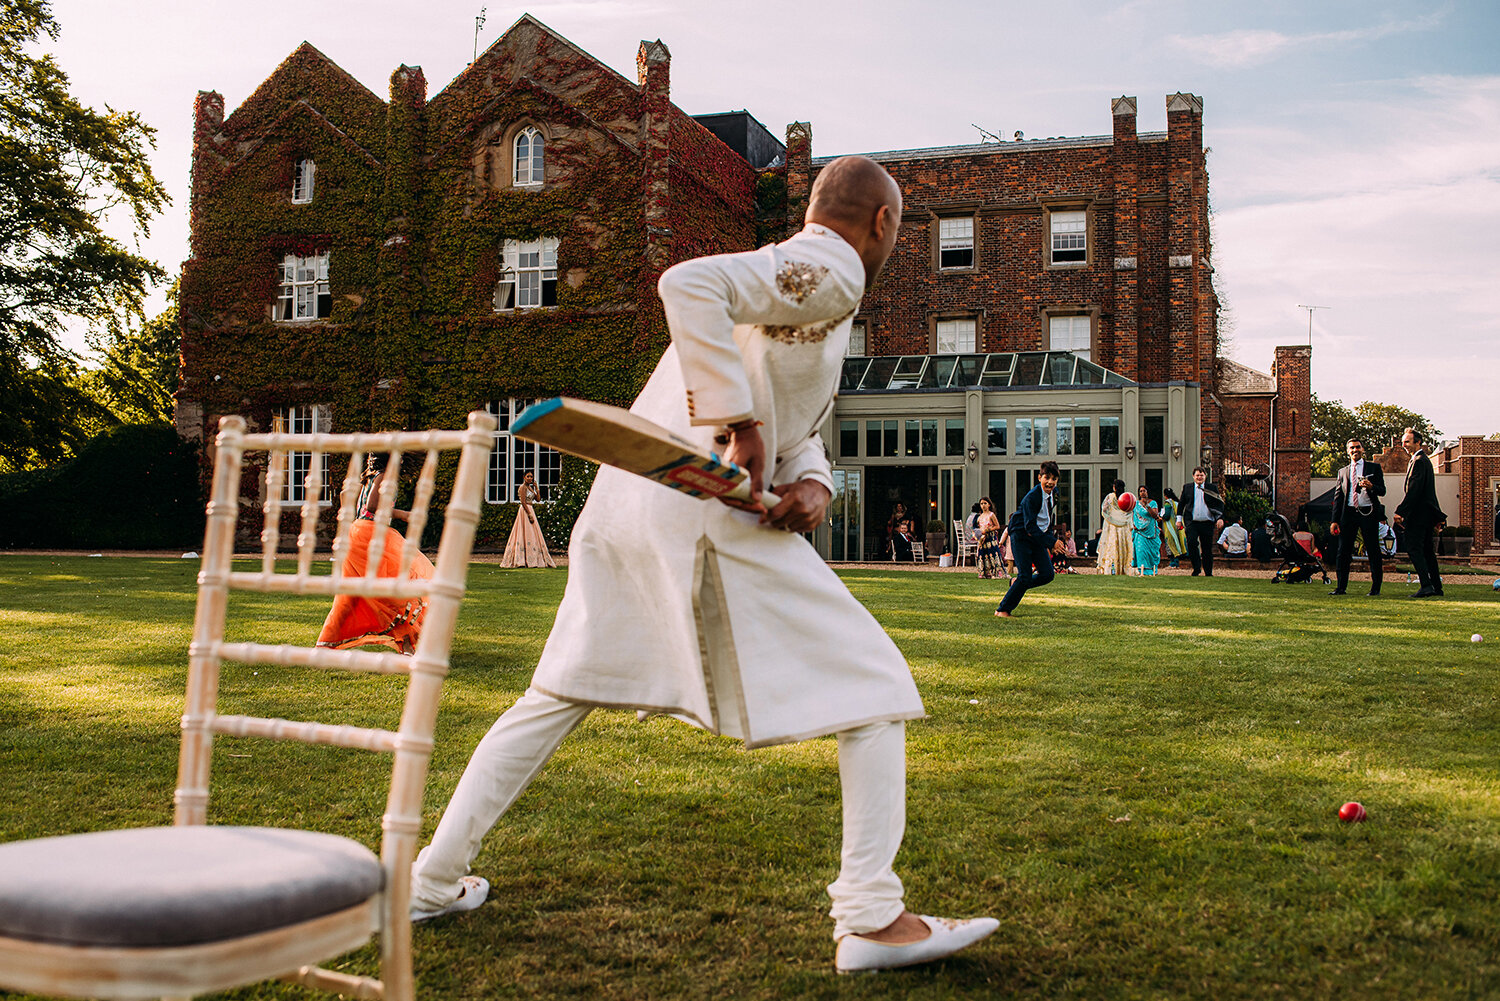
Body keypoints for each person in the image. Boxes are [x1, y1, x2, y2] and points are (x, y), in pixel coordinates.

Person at [408, 156, 997, 972]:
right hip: (696, 516)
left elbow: (792, 408)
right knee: (875, 688)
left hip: (621, 514)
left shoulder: (800, 290)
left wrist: (814, 483)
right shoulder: (830, 267)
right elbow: (688, 282)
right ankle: (870, 914)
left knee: (553, 696)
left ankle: (431, 880)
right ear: (882, 225)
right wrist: (740, 426)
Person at [316, 453, 434, 655]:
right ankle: (406, 645)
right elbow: (371, 507)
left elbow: (358, 504)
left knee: (352, 593)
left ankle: (326, 643)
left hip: (360, 533)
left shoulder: (372, 475)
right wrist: (403, 514)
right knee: (397, 589)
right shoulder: (384, 475)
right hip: (370, 535)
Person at [995, 460, 1066, 618]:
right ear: (1039, 477)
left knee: (1048, 574)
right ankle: (1002, 610)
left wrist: (1050, 541)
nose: (1050, 482)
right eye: (1047, 477)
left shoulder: (1055, 493)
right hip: (1021, 534)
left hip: (1036, 535)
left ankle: (1017, 584)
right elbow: (1029, 526)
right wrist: (1051, 542)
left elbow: (1046, 519)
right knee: (1025, 576)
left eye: (1054, 479)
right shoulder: (1031, 498)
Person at [1328, 437, 1385, 596]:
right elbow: (1338, 498)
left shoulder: (1374, 468)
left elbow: (1383, 491)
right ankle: (1341, 587)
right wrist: (1334, 520)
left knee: (1373, 550)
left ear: (1362, 449)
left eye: (1357, 447)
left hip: (1368, 512)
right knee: (1343, 551)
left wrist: (1371, 486)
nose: (1355, 450)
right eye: (1352, 448)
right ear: (1348, 451)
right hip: (1349, 513)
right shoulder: (1343, 471)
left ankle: (1375, 589)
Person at [1394, 426, 1446, 598]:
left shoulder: (1419, 461)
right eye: (1403, 442)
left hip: (1418, 515)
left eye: (1407, 442)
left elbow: (1415, 490)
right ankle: (1436, 587)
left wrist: (1400, 511)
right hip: (1424, 515)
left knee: (1413, 548)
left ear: (1418, 443)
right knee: (1427, 551)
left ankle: (1426, 585)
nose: (1404, 445)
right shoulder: (1421, 461)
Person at [499, 471, 557, 568]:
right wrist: (529, 514)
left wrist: (537, 488)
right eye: (528, 476)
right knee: (523, 532)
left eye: (531, 476)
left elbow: (538, 499)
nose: (530, 478)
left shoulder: (530, 487)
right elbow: (523, 501)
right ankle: (521, 559)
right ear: (524, 477)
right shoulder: (522, 487)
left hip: (531, 508)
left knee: (532, 533)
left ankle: (532, 558)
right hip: (525, 510)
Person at [1179, 467, 1225, 576]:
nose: (1199, 477)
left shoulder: (1212, 488)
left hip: (1207, 522)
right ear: (1193, 476)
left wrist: (1220, 518)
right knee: (1191, 543)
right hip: (1192, 522)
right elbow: (1181, 504)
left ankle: (1208, 572)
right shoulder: (1187, 488)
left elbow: (1219, 504)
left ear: (1205, 476)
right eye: (1197, 475)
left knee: (1207, 547)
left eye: (1201, 475)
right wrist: (1178, 520)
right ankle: (1196, 568)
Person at [1096, 479, 1133, 575]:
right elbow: (1130, 511)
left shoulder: (1110, 496)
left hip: (1112, 525)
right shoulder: (1126, 497)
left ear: (1114, 487)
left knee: (1111, 546)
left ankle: (1111, 569)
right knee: (1122, 546)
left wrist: (1110, 517)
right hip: (1123, 526)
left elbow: (1104, 509)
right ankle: (1122, 568)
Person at [1130, 485, 1162, 576]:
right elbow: (1133, 515)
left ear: (1148, 492)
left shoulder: (1153, 503)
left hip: (1151, 531)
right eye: (1140, 491)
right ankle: (1141, 571)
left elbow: (1155, 516)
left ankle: (1151, 571)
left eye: (1144, 490)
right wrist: (1134, 525)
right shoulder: (1136, 504)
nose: (1142, 492)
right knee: (1141, 551)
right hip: (1140, 531)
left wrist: (1147, 506)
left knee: (1151, 552)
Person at [974, 496, 1005, 579]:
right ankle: (983, 572)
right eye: (981, 504)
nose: (983, 505)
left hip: (990, 538)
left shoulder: (991, 515)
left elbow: (997, 526)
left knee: (993, 554)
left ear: (989, 505)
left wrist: (988, 529)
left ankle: (997, 572)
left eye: (985, 503)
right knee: (982, 554)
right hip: (982, 539)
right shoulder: (979, 517)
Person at [1159, 487, 1187, 568]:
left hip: (1170, 527)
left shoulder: (1168, 503)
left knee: (1171, 543)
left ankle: (1173, 563)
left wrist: (1161, 517)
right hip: (1178, 527)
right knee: (1177, 542)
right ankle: (1176, 563)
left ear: (1165, 495)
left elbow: (1167, 515)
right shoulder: (1177, 503)